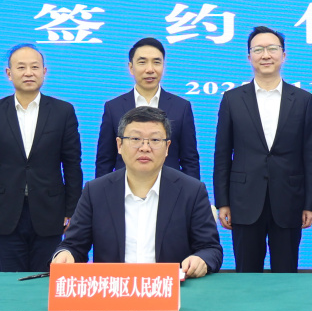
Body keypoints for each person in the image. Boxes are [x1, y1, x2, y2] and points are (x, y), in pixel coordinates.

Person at [54, 106, 222, 278]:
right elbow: (73, 246)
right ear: (119, 145)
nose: (145, 148)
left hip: (172, 288)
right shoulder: (95, 191)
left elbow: (210, 249)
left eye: (155, 140)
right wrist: (66, 254)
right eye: (135, 139)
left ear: (167, 147)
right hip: (114, 289)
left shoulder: (192, 191)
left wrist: (201, 260)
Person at [213, 25, 312, 272]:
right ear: (248, 56)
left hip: (289, 201)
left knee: (286, 274)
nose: (265, 55)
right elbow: (222, 155)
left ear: (284, 55)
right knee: (246, 274)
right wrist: (223, 202)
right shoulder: (232, 99)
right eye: (258, 49)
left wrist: (310, 203)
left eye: (272, 49)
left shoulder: (303, 100)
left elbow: (311, 155)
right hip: (244, 201)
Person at [0, 43, 82, 272]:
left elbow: (72, 165)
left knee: (46, 281)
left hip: (50, 212)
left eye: (34, 67)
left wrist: (72, 211)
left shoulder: (63, 111)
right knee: (10, 283)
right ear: (9, 73)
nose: (28, 73)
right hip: (5, 213)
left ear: (45, 71)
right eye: (21, 67)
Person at [94, 37, 200, 179]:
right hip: (125, 189)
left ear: (163, 66)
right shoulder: (113, 107)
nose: (150, 69)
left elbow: (190, 161)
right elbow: (105, 161)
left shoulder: (181, 107)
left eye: (156, 62)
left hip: (169, 189)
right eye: (142, 62)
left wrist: (191, 192)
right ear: (131, 67)